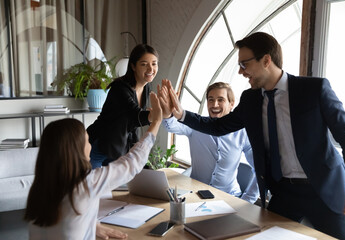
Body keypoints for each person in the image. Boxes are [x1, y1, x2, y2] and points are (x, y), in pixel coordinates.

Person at [161, 32, 345, 239]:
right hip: (284, 193)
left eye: (244, 64)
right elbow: (218, 127)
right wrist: (181, 114)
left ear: (266, 60)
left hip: (325, 190)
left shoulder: (314, 89)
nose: (240, 71)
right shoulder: (250, 100)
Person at [24, 92, 163, 239]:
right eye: (87, 141)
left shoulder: (41, 188)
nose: (90, 146)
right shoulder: (86, 185)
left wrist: (92, 224)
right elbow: (131, 163)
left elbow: (64, 223)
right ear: (76, 151)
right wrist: (156, 122)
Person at [159, 82, 259, 203]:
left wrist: (248, 200)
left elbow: (259, 168)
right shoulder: (196, 125)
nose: (214, 104)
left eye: (220, 100)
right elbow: (172, 126)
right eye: (210, 100)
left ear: (231, 104)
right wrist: (167, 114)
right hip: (197, 196)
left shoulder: (242, 133)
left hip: (230, 198)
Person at [87, 44, 159, 169]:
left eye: (154, 63)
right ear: (133, 66)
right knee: (95, 187)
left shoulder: (146, 87)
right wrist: (157, 114)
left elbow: (132, 125)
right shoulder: (120, 87)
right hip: (99, 146)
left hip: (117, 149)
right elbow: (134, 115)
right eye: (144, 64)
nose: (150, 69)